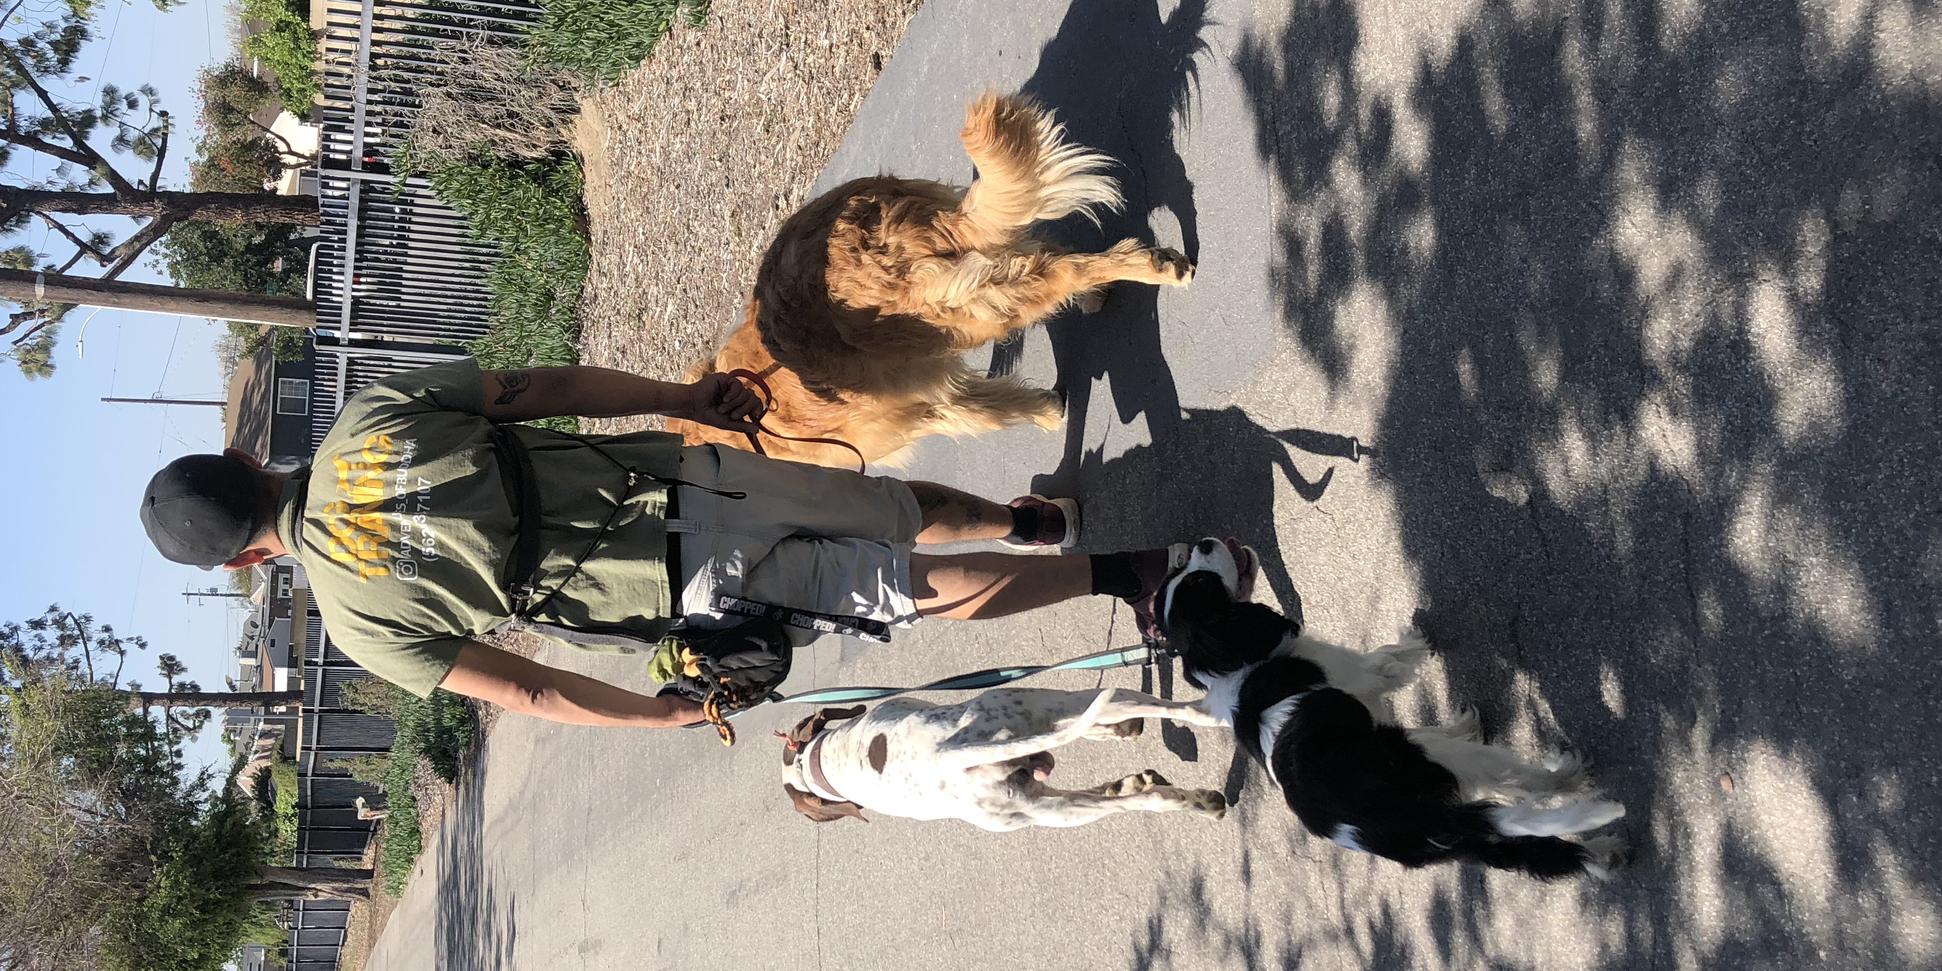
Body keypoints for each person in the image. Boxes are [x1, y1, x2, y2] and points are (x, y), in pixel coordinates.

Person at [139, 361, 1225, 730]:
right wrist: (678, 394)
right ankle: (1021, 515)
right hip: (684, 475)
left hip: (676, 589)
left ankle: (1129, 577)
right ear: (246, 459)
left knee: (896, 590)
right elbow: (538, 390)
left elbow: (532, 691)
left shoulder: (363, 627)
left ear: (241, 564)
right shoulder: (371, 418)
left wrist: (660, 715)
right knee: (880, 504)